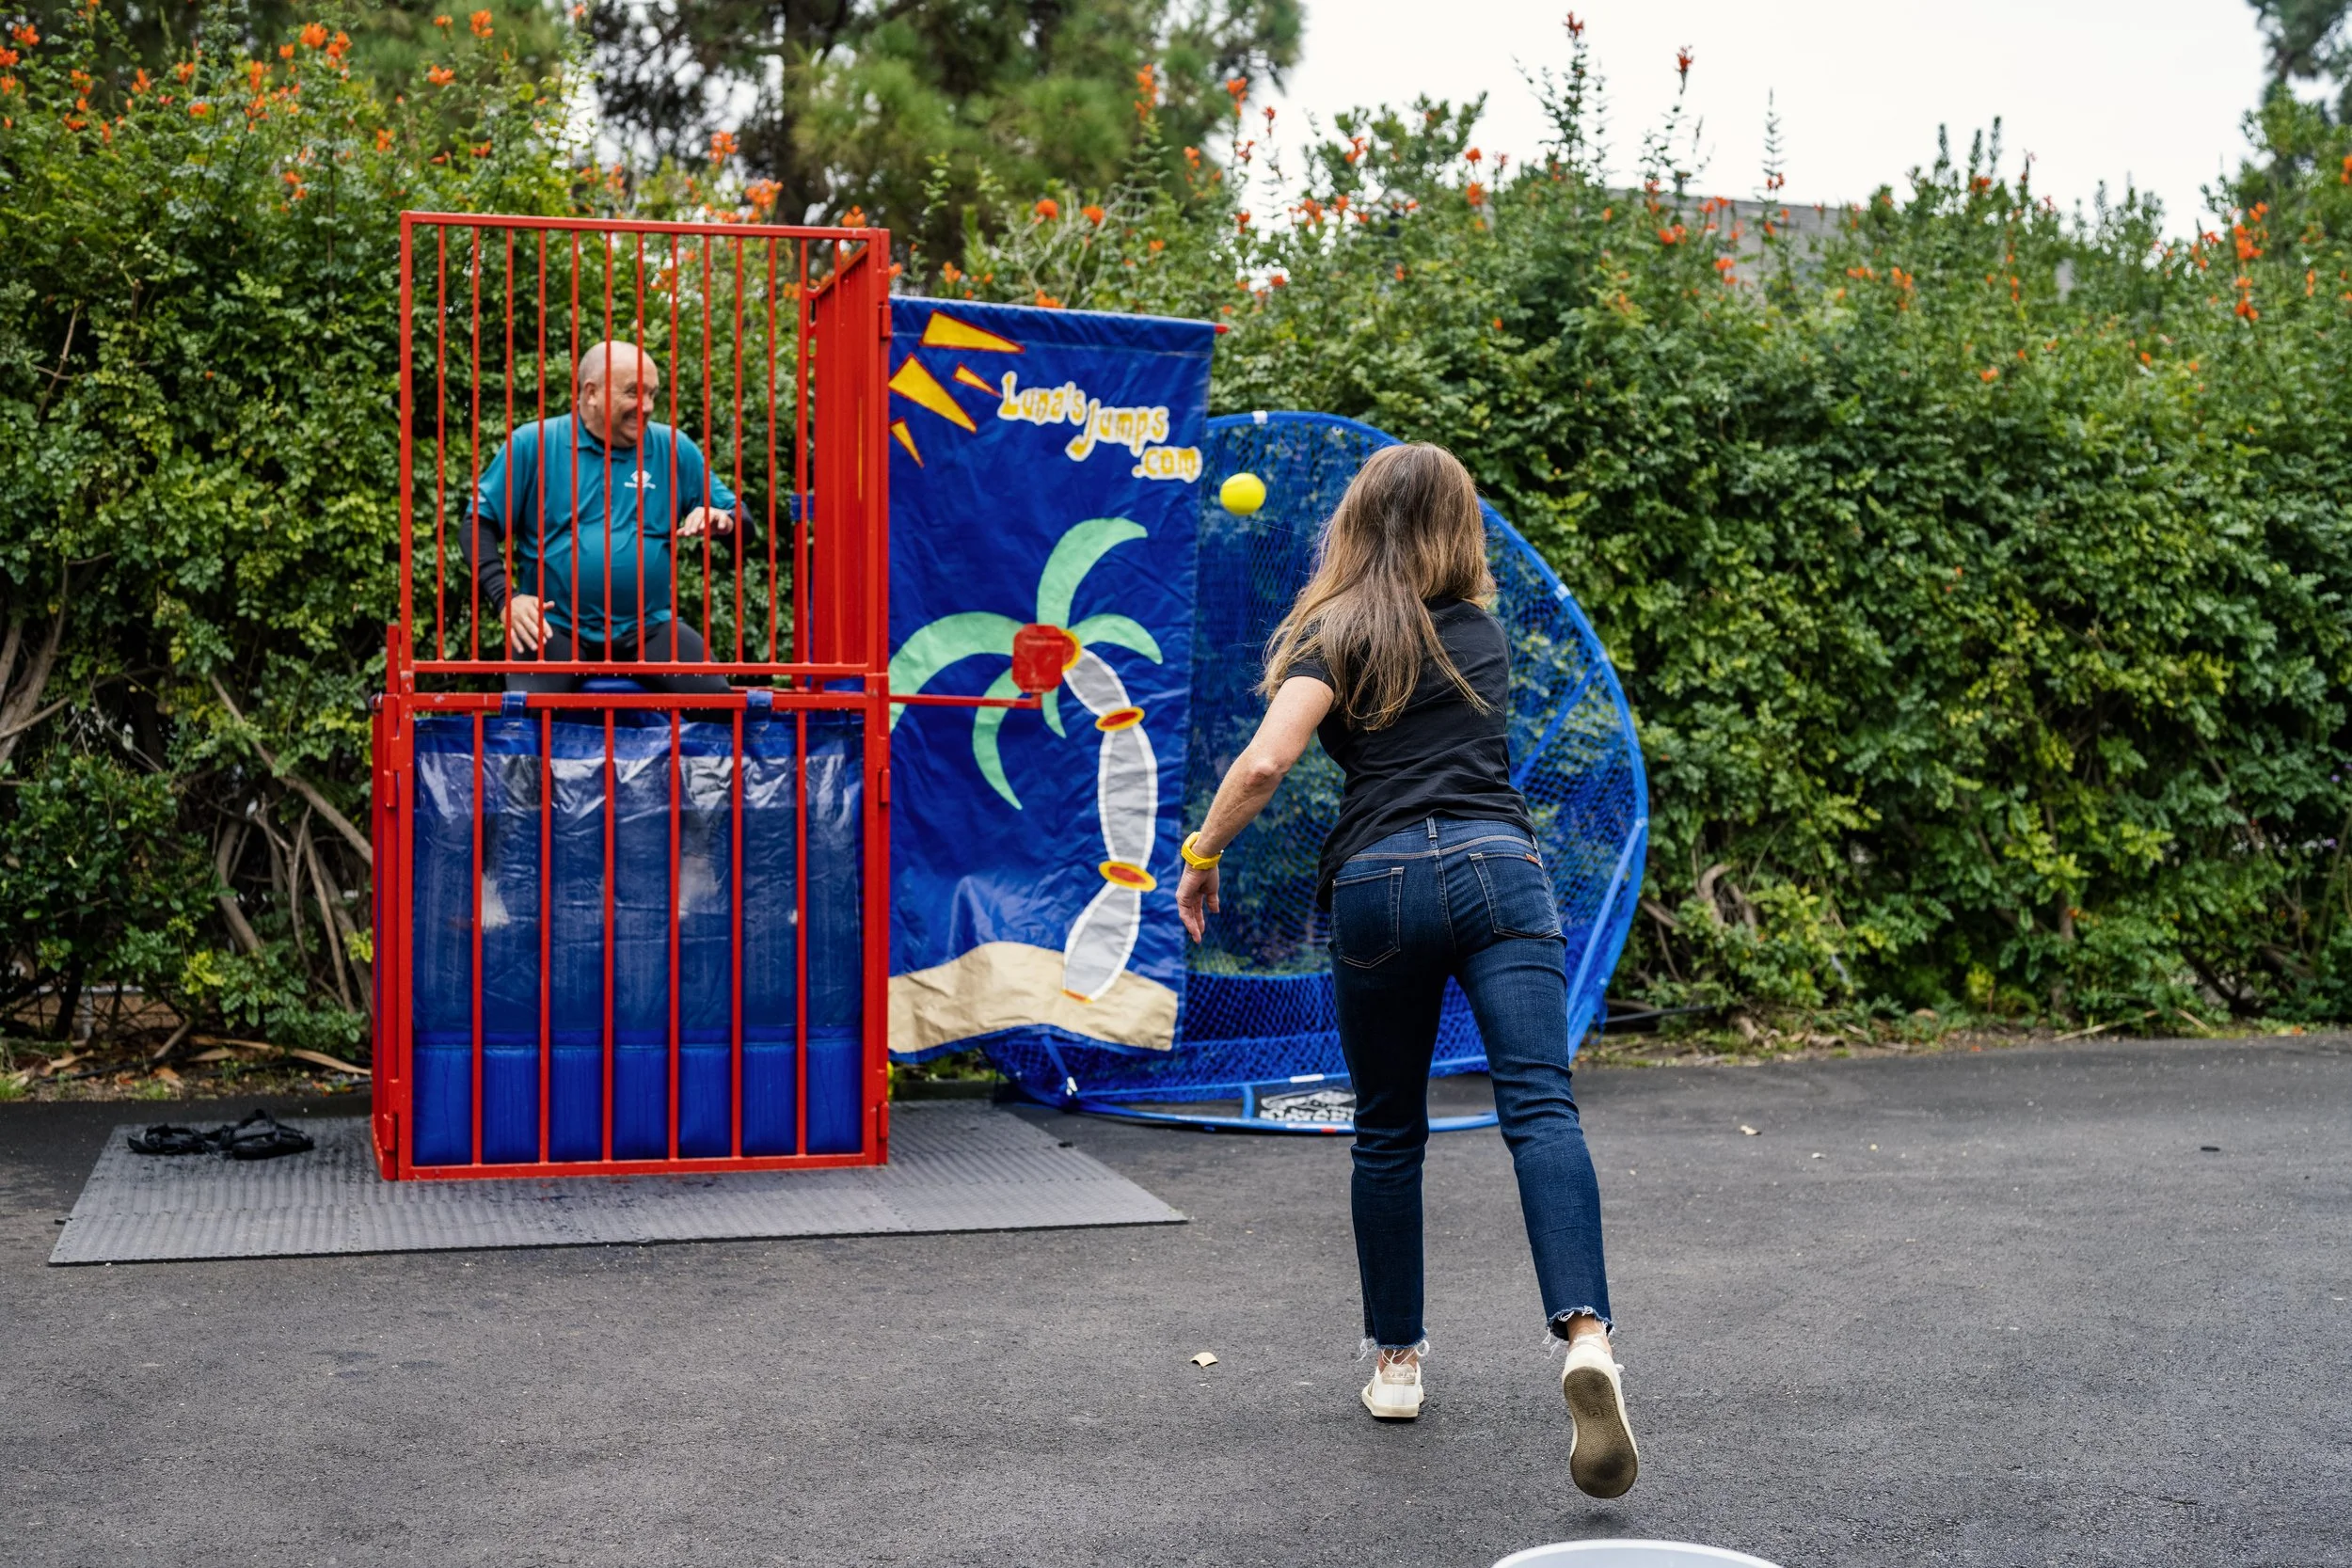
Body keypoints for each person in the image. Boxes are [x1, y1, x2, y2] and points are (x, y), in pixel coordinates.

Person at [1173, 442, 1638, 1497]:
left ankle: (1395, 1363)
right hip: (1500, 874)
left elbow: (1262, 761)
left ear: (1353, 523)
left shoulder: (1334, 634)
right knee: (1541, 1108)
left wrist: (1201, 859)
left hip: (1379, 884)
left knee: (1389, 1128)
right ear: (1456, 526)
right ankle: (1585, 1337)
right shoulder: (1480, 631)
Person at [462, 341, 740, 693]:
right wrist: (507, 597)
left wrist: (725, 520)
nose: (647, 407)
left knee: (718, 706)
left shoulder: (673, 447)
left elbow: (740, 518)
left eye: (652, 394)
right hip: (556, 627)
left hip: (650, 627)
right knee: (530, 723)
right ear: (591, 393)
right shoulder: (533, 444)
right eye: (633, 393)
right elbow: (477, 524)